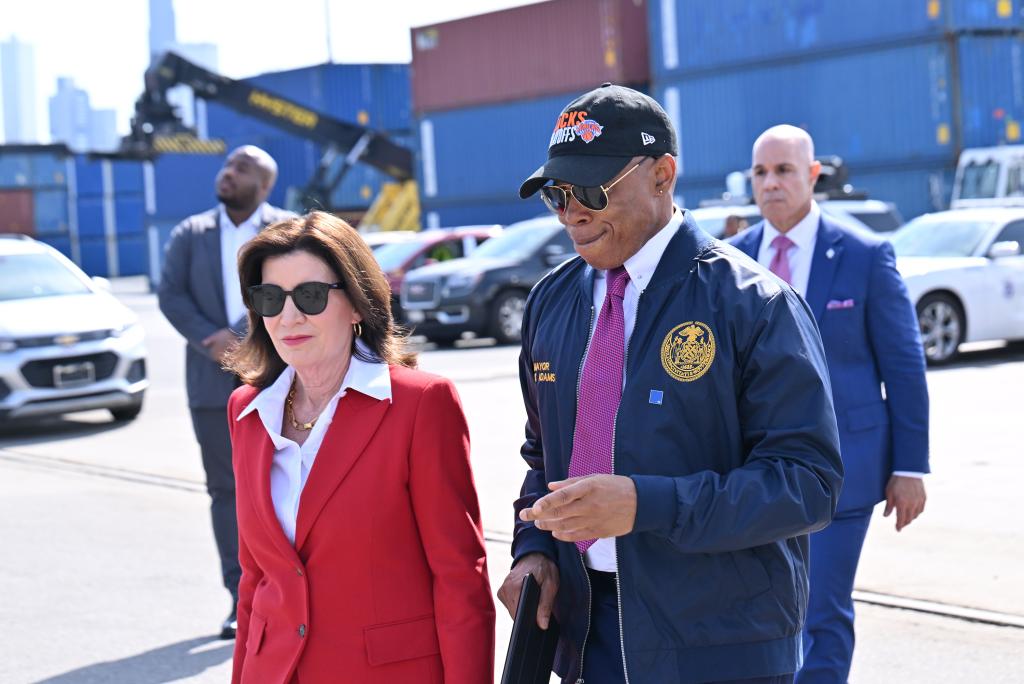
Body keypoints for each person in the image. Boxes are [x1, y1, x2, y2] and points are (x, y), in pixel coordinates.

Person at [498, 83, 844, 684]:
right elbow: (542, 455)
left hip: (720, 644)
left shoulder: (753, 304)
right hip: (590, 638)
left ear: (662, 175)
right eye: (556, 193)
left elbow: (808, 484)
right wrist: (533, 548)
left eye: (589, 189)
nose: (571, 211)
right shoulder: (550, 302)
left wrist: (645, 505)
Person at [225, 212, 494, 683]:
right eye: (270, 298)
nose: (289, 317)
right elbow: (256, 579)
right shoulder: (247, 411)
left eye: (309, 296)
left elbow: (459, 579)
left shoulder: (421, 405)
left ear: (356, 303)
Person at [730, 125, 929, 684]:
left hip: (844, 473)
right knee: (763, 611)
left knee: (822, 610)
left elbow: (904, 368)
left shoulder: (864, 255)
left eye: (784, 171)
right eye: (761, 173)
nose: (771, 184)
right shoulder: (730, 260)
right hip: (753, 475)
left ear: (813, 175)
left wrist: (909, 467)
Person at [158, 145, 293, 638]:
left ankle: (289, 592)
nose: (229, 173)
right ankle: (242, 599)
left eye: (243, 168)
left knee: (287, 484)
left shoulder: (286, 231)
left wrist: (240, 337)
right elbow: (170, 293)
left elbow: (297, 286)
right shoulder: (190, 234)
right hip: (211, 386)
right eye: (228, 165)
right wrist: (211, 340)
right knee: (226, 491)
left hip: (278, 379)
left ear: (265, 184)